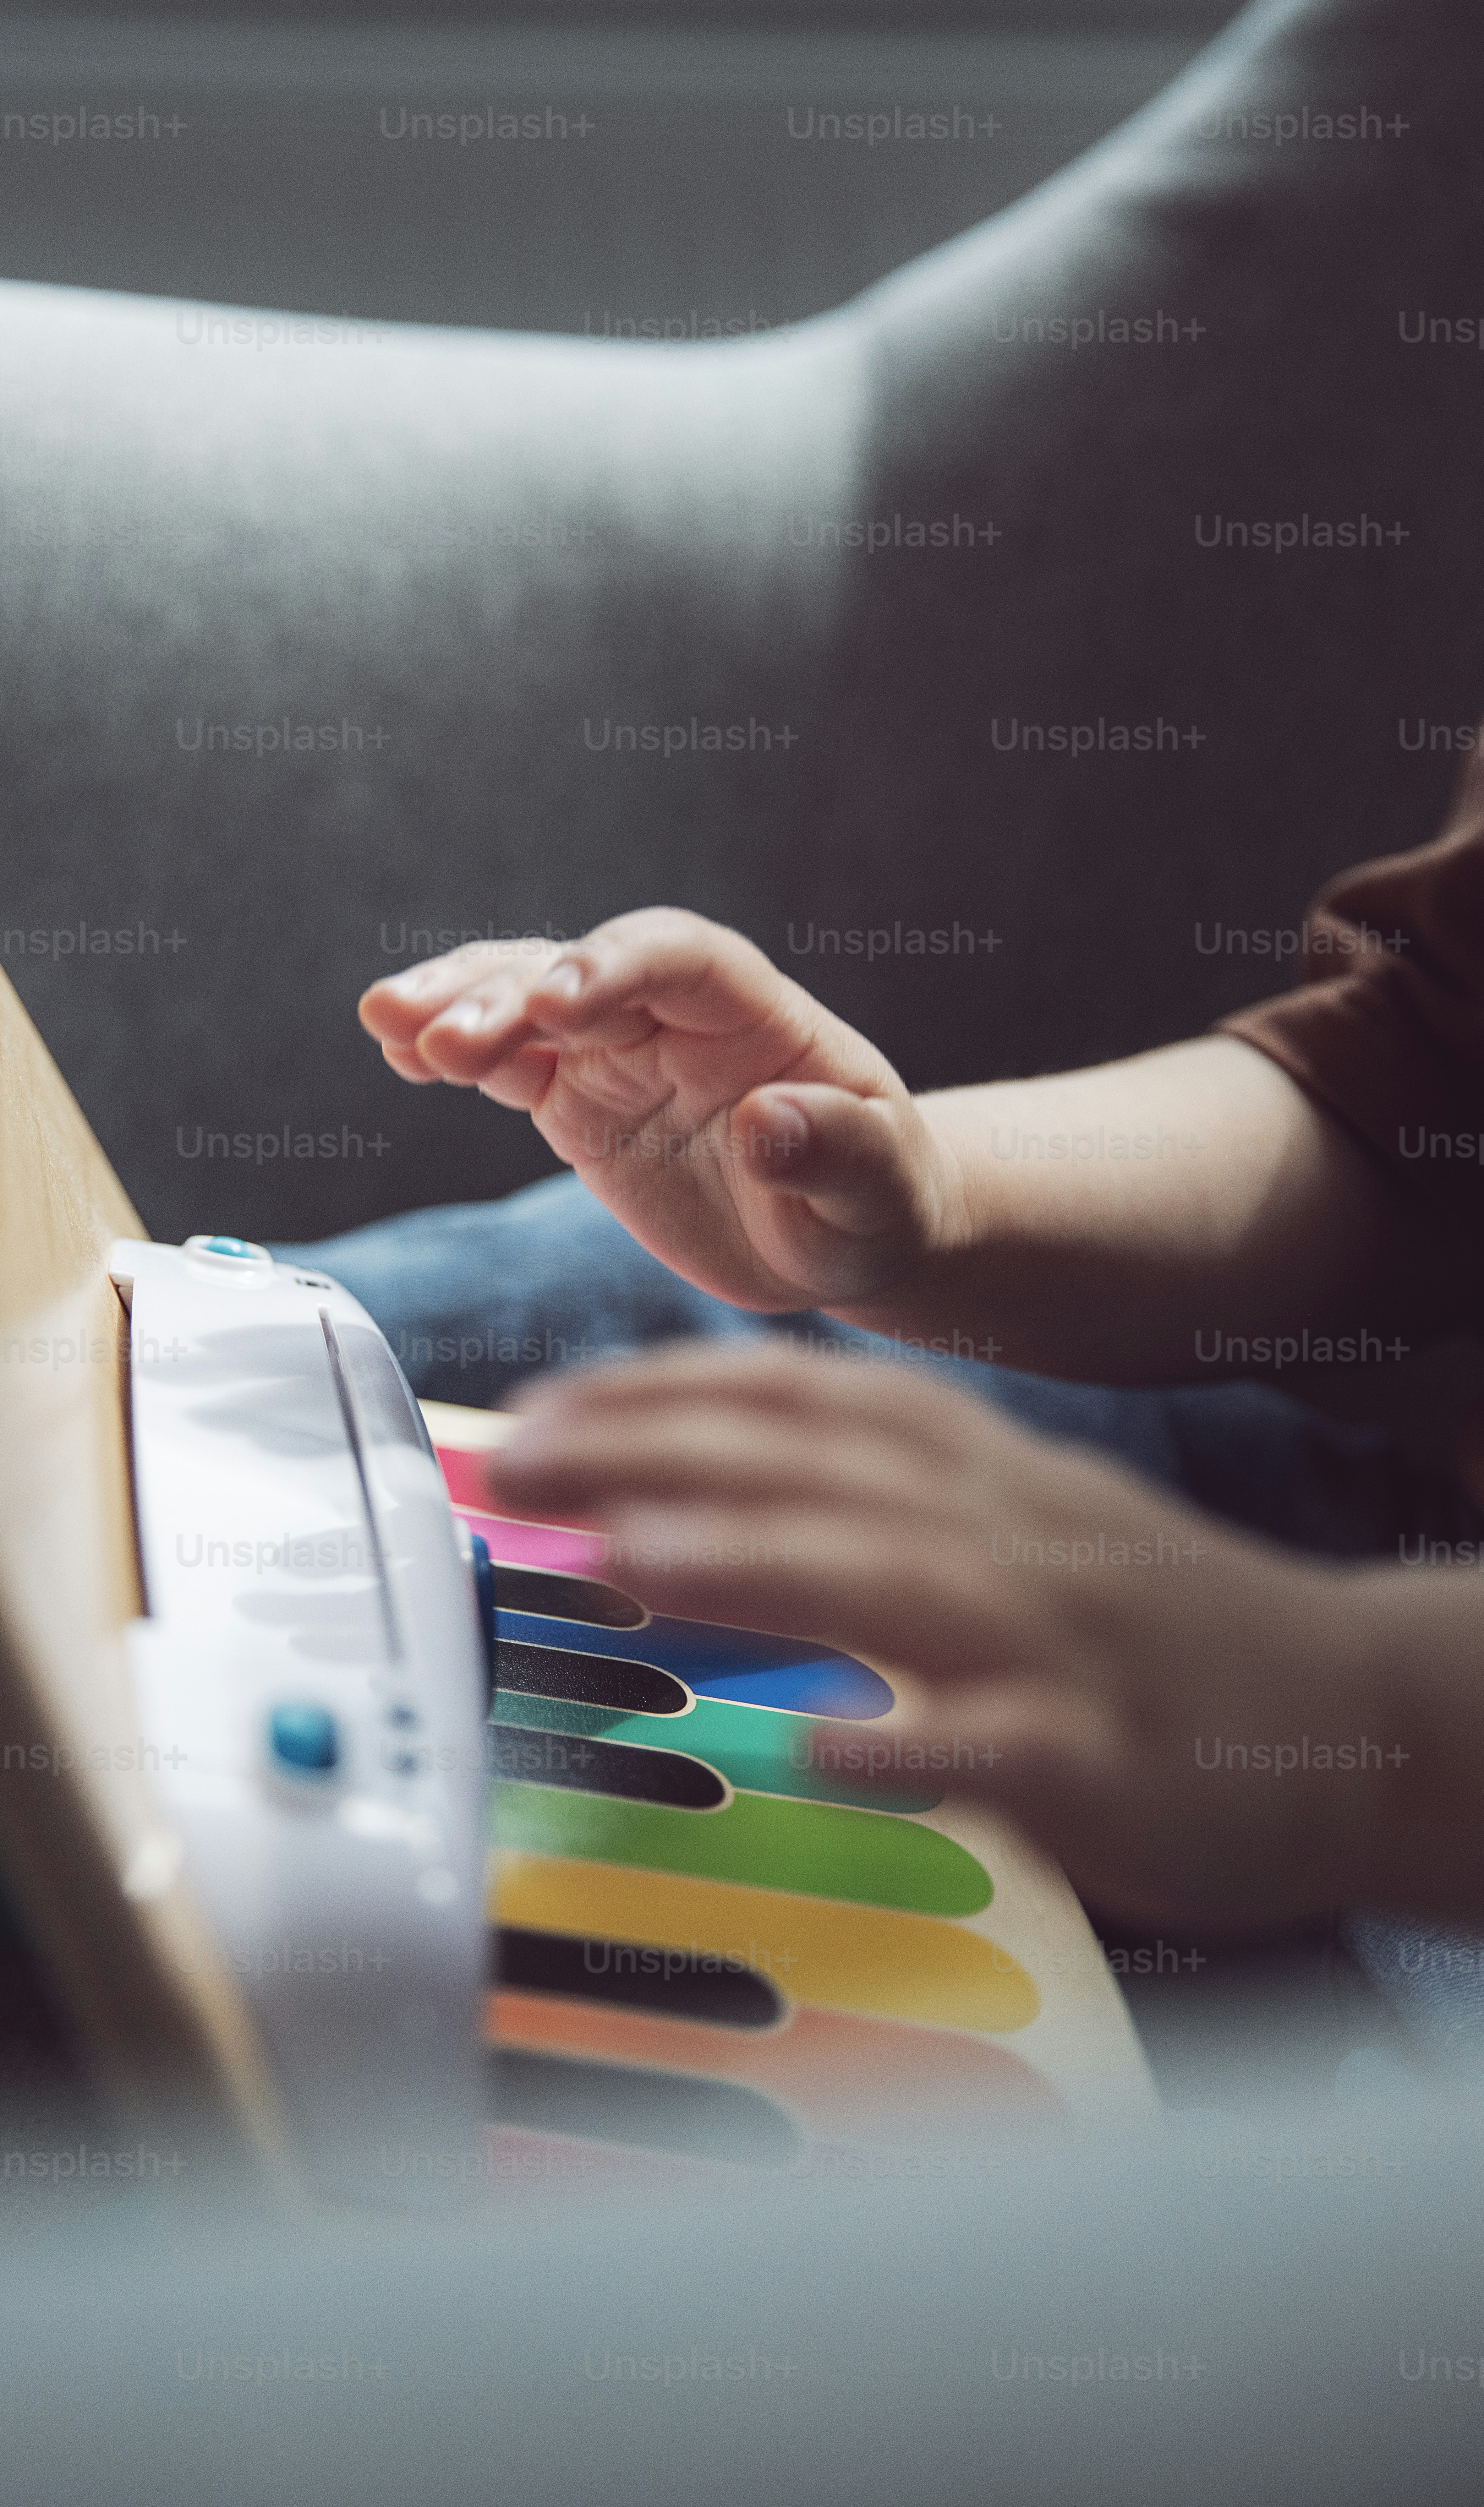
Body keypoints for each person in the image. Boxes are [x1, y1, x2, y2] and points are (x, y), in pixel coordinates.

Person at [336, 748, 1484, 1958]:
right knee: (648, 1288)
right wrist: (927, 1204)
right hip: (1366, 1548)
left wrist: (1370, 1723)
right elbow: (1416, 1092)